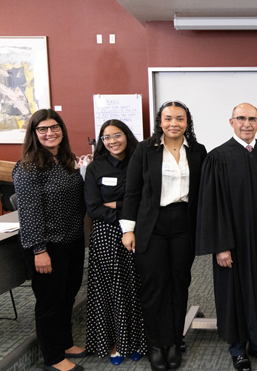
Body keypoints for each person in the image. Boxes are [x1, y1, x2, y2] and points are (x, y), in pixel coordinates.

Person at [197, 103, 257, 371]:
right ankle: (238, 348)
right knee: (233, 293)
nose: (247, 124)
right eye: (241, 119)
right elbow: (211, 204)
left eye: (252, 119)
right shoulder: (217, 157)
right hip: (232, 243)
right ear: (231, 122)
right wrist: (221, 246)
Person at [120, 101, 207, 371]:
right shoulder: (145, 150)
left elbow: (204, 192)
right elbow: (132, 191)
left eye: (179, 119)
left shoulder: (198, 151)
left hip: (184, 224)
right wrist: (128, 229)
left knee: (179, 284)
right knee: (154, 287)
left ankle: (173, 340)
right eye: (168, 118)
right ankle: (156, 344)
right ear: (160, 121)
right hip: (152, 225)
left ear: (187, 122)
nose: (174, 124)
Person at [12, 109, 87, 371]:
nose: (49, 133)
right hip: (47, 246)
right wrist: (39, 250)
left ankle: (65, 342)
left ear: (62, 130)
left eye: (54, 127)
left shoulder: (66, 160)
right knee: (49, 302)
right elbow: (29, 213)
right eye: (42, 129)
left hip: (73, 241)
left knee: (68, 296)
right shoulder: (28, 167)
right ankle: (53, 357)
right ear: (34, 133)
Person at [84, 120, 146, 365]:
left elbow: (145, 200)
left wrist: (119, 206)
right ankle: (116, 342)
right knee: (110, 291)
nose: (112, 141)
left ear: (127, 135)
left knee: (138, 287)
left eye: (117, 135)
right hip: (106, 237)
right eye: (106, 137)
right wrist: (125, 211)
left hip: (138, 233)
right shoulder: (95, 168)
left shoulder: (140, 162)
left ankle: (138, 340)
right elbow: (93, 208)